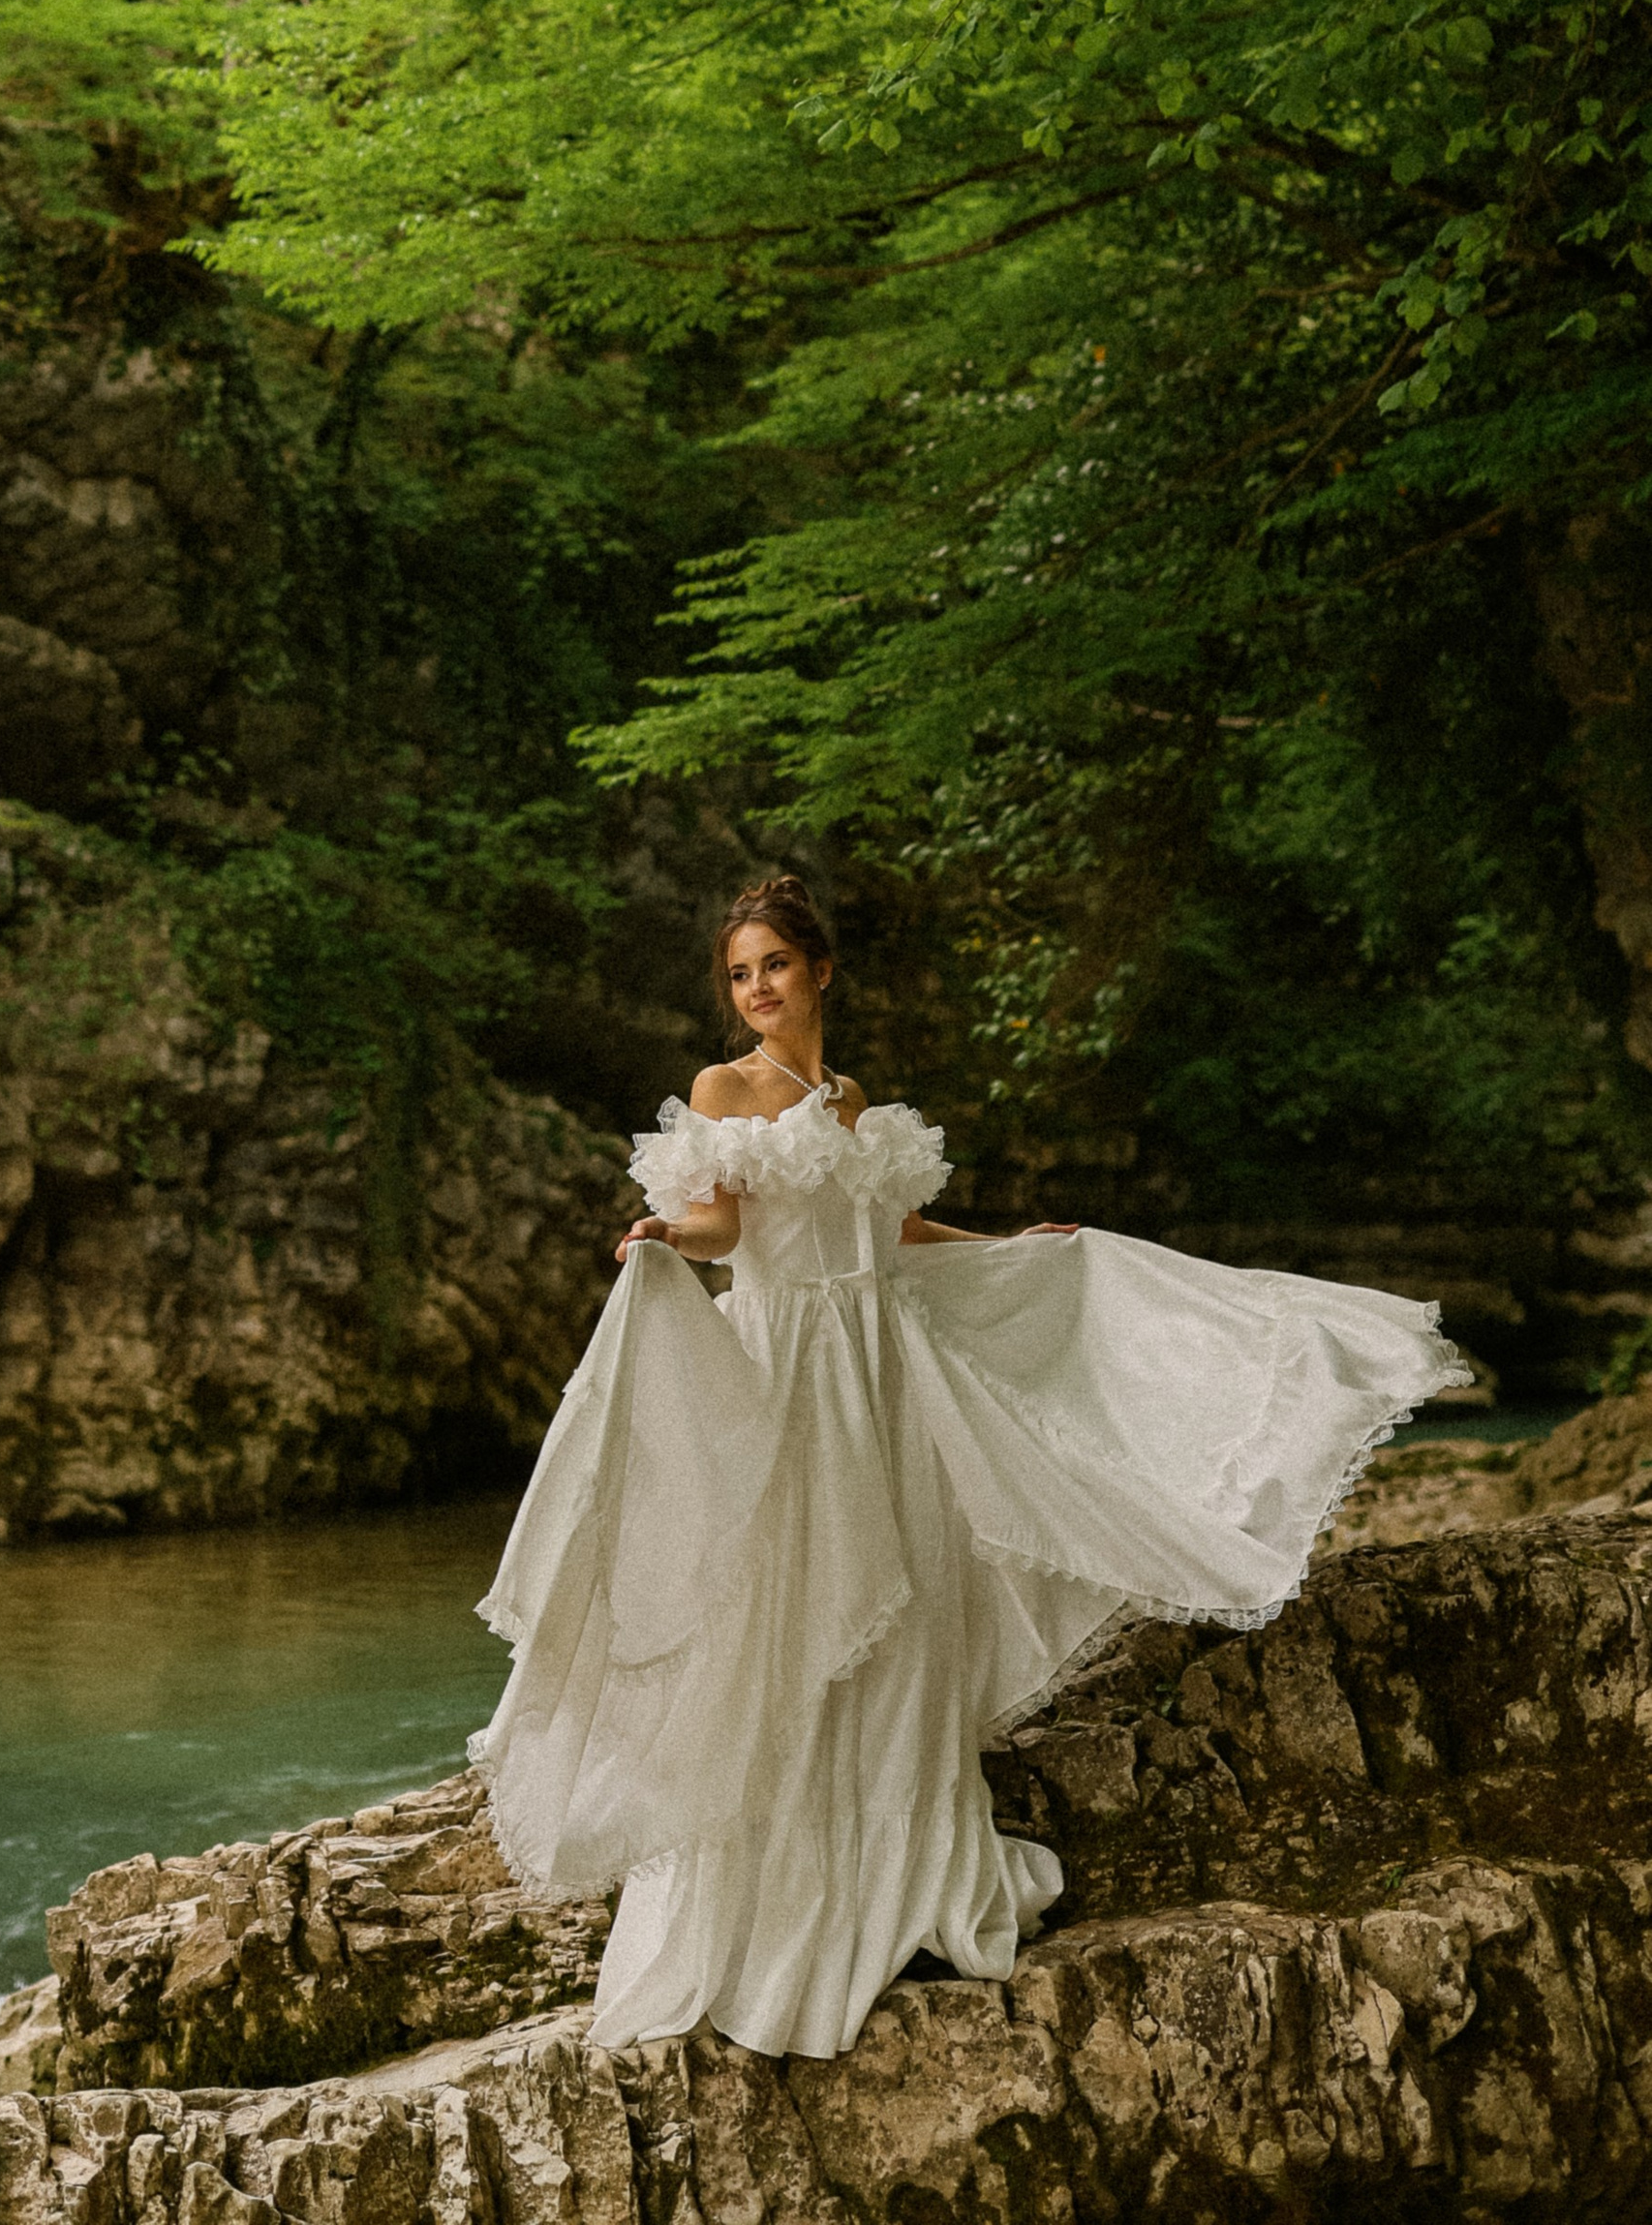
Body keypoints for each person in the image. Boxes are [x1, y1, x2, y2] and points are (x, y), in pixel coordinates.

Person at [470, 870, 1469, 2059]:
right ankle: (781, 1891)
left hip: (880, 1365)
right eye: (738, 974)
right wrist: (661, 1235)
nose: (754, 991)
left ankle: (899, 1867)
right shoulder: (721, 1088)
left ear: (820, 970)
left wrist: (1007, 1244)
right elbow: (727, 1229)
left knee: (906, 1606)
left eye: (773, 966)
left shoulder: (850, 1100)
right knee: (794, 1607)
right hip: (787, 1364)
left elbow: (886, 1235)